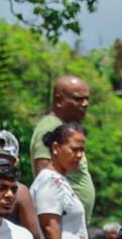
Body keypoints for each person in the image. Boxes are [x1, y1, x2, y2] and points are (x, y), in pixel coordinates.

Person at [29, 123, 89, 239]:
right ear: (56, 147)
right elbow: (49, 224)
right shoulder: (50, 180)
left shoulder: (61, 181)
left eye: (82, 151)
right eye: (74, 149)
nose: (79, 156)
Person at [30, 74, 94, 223]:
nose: (85, 104)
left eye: (87, 99)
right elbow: (45, 177)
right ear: (59, 100)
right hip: (60, 222)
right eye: (78, 99)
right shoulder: (51, 127)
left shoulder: (65, 129)